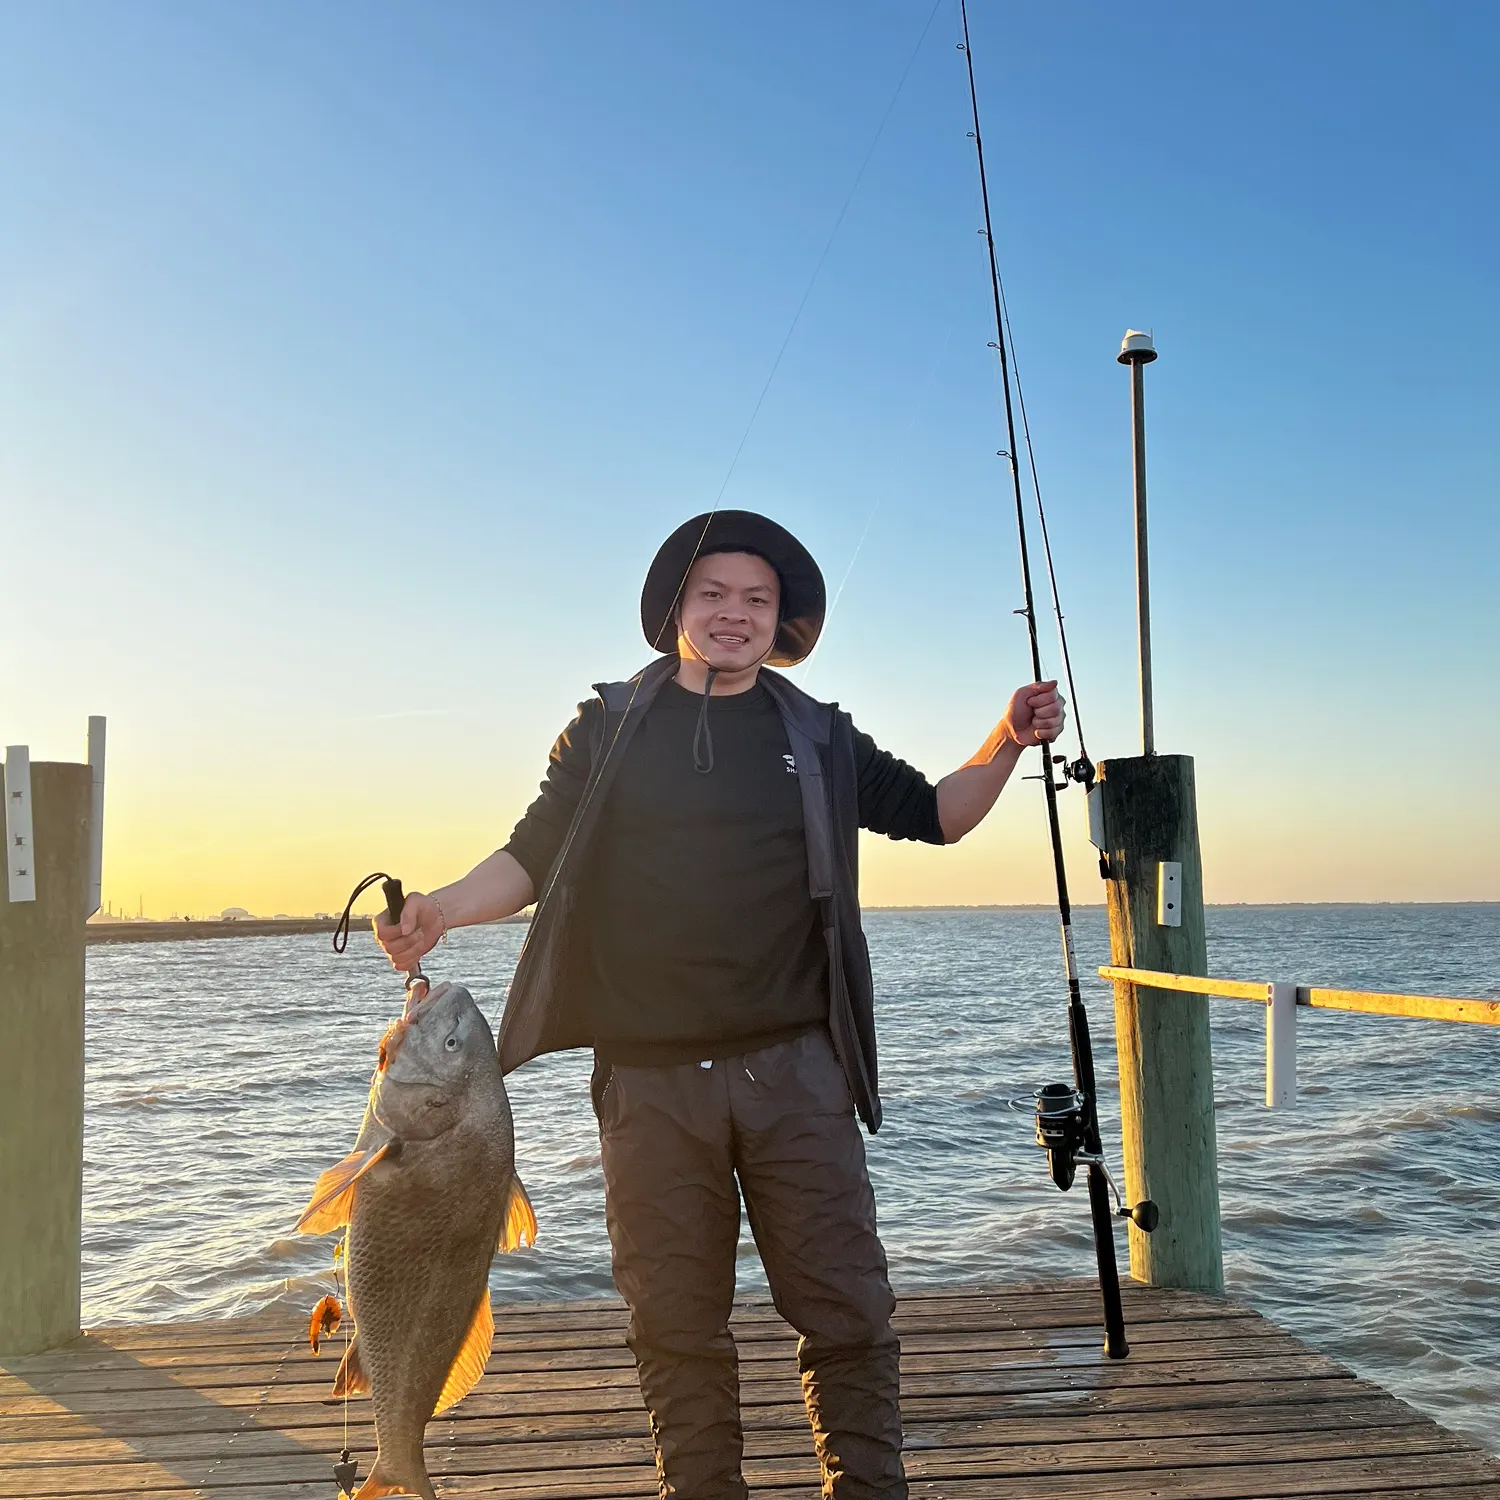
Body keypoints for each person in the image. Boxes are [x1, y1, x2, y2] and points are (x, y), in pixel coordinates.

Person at [374, 510, 1065, 1500]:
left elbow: (939, 815)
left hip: (797, 1074)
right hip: (650, 1088)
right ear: (675, 609)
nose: (735, 614)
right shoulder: (608, 726)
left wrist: (1007, 735)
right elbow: (532, 854)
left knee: (847, 1313)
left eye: (758, 599)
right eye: (714, 594)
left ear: (781, 621)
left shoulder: (819, 735)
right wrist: (440, 909)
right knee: (674, 1326)